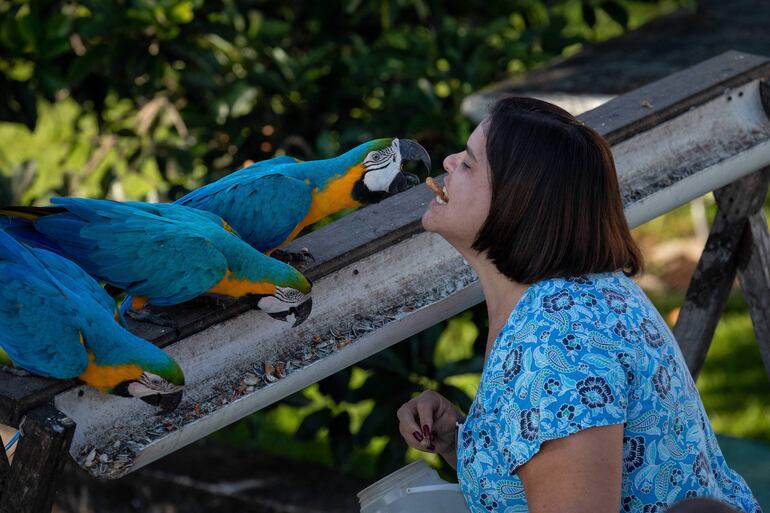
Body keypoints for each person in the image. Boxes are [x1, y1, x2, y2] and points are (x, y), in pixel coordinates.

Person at [396, 97, 761, 513]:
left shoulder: (558, 340)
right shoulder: (572, 299)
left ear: (516, 204)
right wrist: (460, 438)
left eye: (470, 164)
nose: (448, 161)